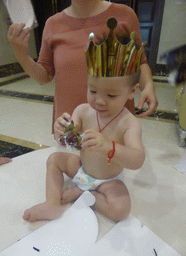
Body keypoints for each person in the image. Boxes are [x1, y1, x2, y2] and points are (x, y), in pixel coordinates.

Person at [22, 18, 145, 223]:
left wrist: (108, 146)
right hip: (81, 168)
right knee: (54, 159)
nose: (99, 100)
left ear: (132, 92)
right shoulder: (83, 110)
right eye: (93, 90)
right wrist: (63, 129)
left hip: (108, 180)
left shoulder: (128, 123)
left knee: (121, 210)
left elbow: (137, 159)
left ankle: (87, 196)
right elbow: (69, 139)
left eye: (111, 95)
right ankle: (52, 203)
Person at [7, 0, 158, 138]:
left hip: (114, 122)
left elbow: (140, 61)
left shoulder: (124, 15)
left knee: (114, 163)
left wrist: (148, 85)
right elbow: (44, 75)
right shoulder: (53, 24)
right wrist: (21, 54)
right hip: (71, 122)